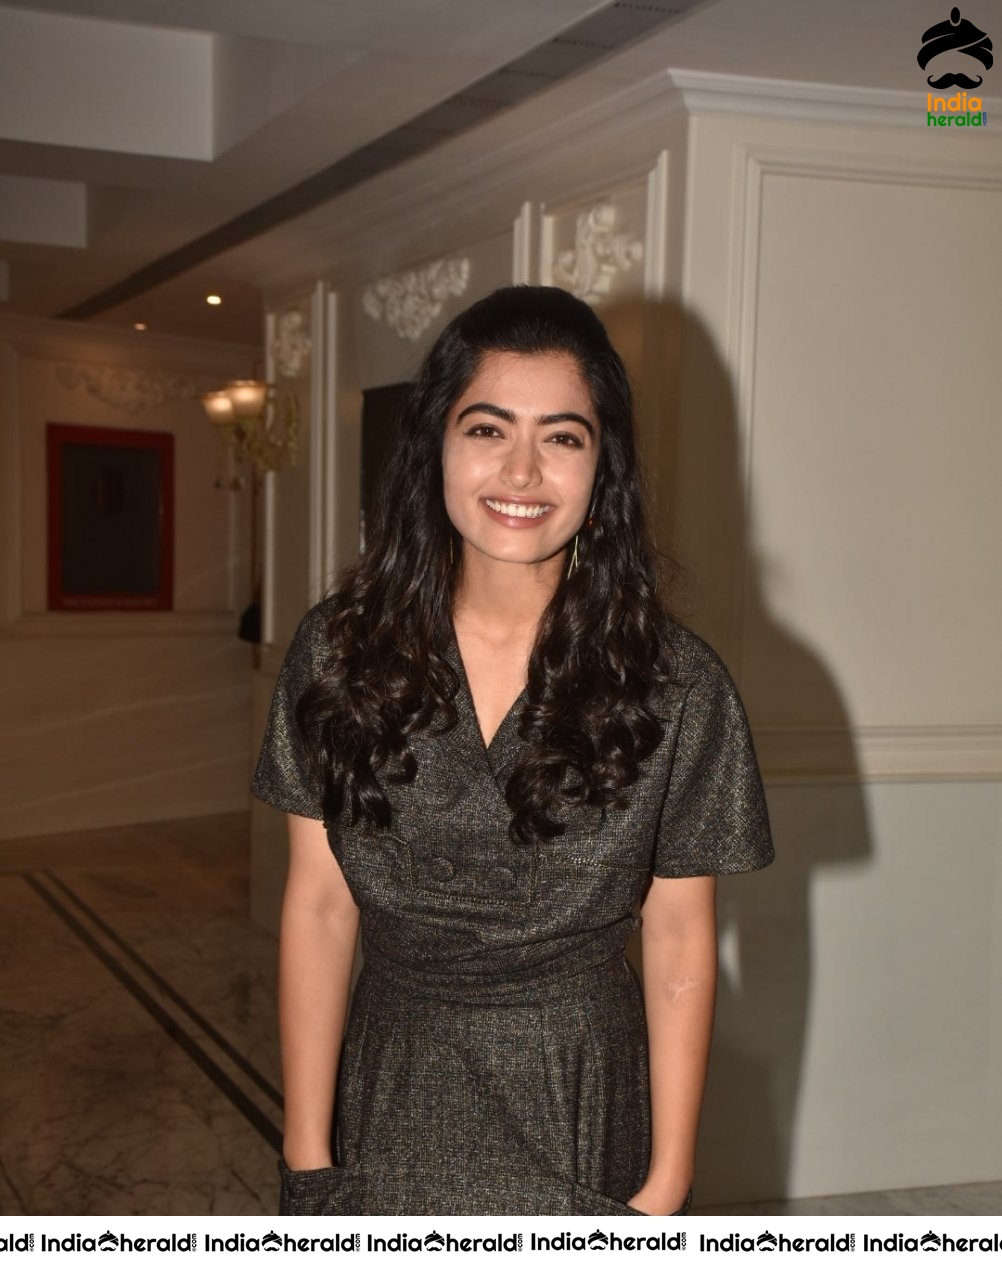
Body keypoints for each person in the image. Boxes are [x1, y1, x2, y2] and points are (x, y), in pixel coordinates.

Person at [252, 285, 774, 1216]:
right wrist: (307, 1155)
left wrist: (665, 1184)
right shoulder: (336, 652)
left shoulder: (679, 684)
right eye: (489, 429)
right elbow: (322, 905)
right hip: (393, 1080)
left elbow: (682, 940)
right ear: (437, 447)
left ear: (602, 463)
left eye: (563, 436)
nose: (523, 471)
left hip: (580, 1090)